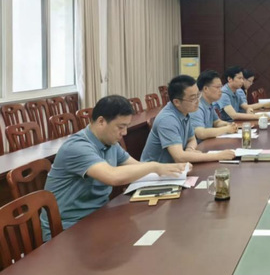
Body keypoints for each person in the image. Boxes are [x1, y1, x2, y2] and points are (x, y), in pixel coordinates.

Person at [40, 95, 189, 240]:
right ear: (101, 122)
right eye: (120, 127)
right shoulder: (77, 147)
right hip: (68, 228)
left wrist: (170, 170)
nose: (124, 133)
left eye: (126, 127)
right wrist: (154, 166)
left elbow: (136, 167)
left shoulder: (110, 143)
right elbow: (112, 176)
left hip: (98, 216)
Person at [141, 75, 235, 163]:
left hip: (175, 168)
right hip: (155, 172)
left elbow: (192, 139)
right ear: (177, 102)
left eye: (198, 95)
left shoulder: (184, 111)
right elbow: (179, 157)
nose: (198, 101)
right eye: (193, 98)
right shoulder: (167, 119)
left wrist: (190, 149)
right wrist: (217, 156)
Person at [190, 70, 238, 142]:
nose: (221, 90)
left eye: (221, 87)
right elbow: (201, 133)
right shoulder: (197, 106)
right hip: (199, 146)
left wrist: (229, 125)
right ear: (205, 89)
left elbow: (216, 122)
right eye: (217, 87)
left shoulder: (209, 103)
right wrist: (226, 129)